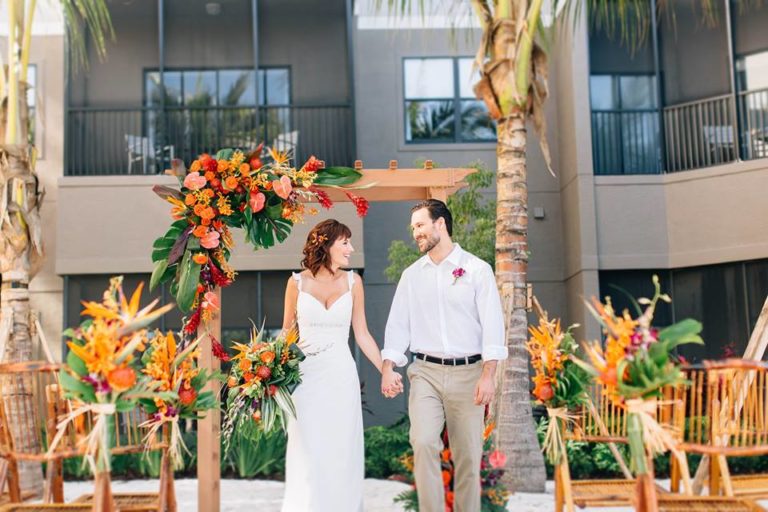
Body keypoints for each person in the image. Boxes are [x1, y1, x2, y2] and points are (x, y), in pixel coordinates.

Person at [381, 199, 508, 512]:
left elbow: (493, 326)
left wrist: (488, 375)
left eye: (420, 225)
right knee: (423, 441)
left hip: (470, 374)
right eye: (414, 228)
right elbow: (398, 326)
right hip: (425, 372)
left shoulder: (478, 270)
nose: (416, 233)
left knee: (468, 457)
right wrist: (388, 367)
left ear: (440, 224)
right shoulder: (412, 276)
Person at [280, 218, 403, 511]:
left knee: (340, 447)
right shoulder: (296, 282)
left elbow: (361, 333)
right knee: (306, 448)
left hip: (340, 376)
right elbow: (286, 334)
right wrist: (270, 374)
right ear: (327, 244)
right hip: (304, 378)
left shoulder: (353, 282)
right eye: (345, 242)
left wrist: (385, 369)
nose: (351, 248)